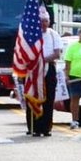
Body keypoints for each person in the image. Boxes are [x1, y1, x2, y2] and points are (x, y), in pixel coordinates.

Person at [27, 8, 64, 136]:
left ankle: (46, 127)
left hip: (49, 68)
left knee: (49, 99)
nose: (44, 24)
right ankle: (36, 127)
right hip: (35, 70)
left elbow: (57, 53)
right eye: (41, 21)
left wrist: (43, 60)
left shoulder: (54, 34)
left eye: (46, 21)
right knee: (36, 98)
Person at [64, 28, 81, 129]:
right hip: (74, 76)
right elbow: (68, 62)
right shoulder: (72, 47)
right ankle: (74, 120)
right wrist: (66, 75)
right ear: (78, 33)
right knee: (75, 99)